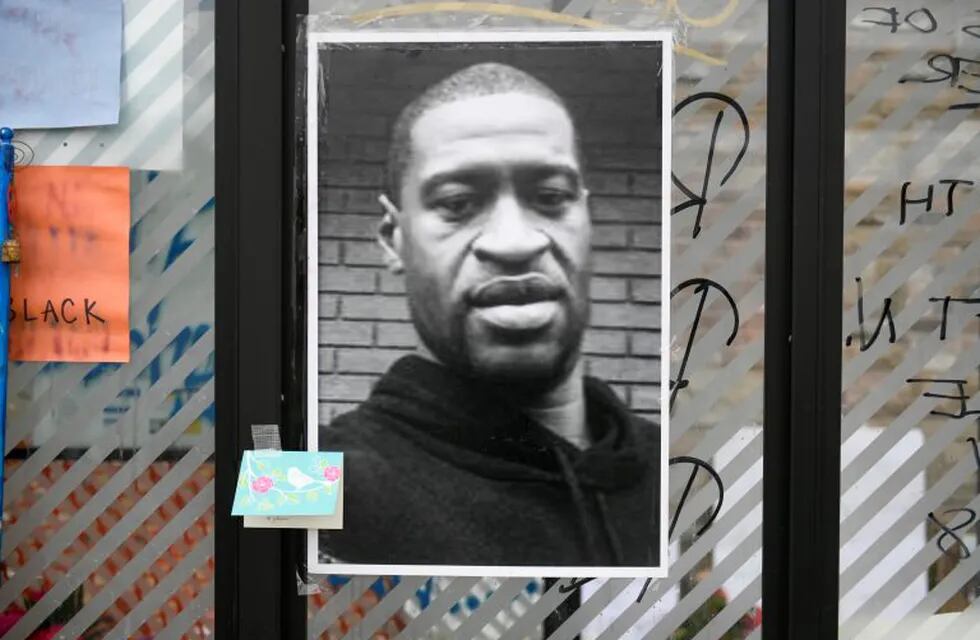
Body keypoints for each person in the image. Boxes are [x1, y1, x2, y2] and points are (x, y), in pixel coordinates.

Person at [320, 62, 661, 568]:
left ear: (587, 218)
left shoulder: (681, 474)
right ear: (394, 239)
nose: (514, 242)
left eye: (550, 198)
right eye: (457, 203)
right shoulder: (317, 477)